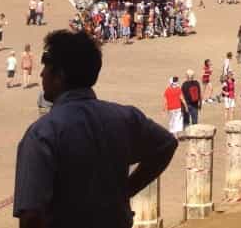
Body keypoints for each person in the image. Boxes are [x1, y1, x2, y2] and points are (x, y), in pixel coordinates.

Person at [14, 30, 177, 228]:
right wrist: (127, 189)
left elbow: (31, 216)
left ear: (60, 75)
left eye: (46, 67)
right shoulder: (125, 118)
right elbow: (166, 144)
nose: (41, 74)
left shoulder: (43, 133)